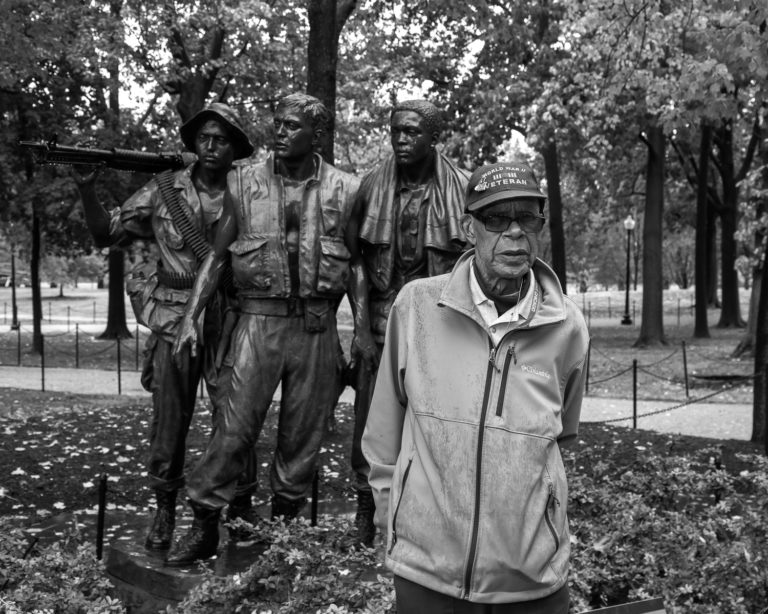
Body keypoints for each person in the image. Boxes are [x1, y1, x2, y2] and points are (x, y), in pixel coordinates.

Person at [362, 161, 589, 613]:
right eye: (496, 219)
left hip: (531, 580)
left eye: (527, 218)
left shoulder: (568, 326)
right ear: (469, 228)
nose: (515, 233)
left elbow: (561, 436)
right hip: (426, 574)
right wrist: (392, 518)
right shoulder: (417, 307)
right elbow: (383, 433)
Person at [166, 92, 376, 565]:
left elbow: (357, 265)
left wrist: (361, 329)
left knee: (301, 440)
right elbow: (217, 258)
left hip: (318, 330)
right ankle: (204, 526)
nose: (279, 132)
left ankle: (282, 533)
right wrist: (190, 318)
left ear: (317, 134)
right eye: (276, 123)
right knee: (233, 431)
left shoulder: (347, 188)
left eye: (291, 125)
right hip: (257, 325)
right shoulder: (242, 182)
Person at [73, 102, 257, 551]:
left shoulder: (252, 193)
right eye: (204, 138)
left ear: (235, 149)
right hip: (174, 318)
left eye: (221, 140)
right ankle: (165, 508)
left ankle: (240, 507)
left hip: (232, 315)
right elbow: (105, 235)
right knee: (169, 419)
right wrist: (86, 190)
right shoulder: (163, 190)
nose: (211, 147)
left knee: (236, 416)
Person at [351, 99, 469, 545]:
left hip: (440, 327)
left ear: (433, 137)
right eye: (395, 131)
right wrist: (361, 330)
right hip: (381, 323)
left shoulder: (462, 189)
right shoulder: (370, 187)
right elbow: (354, 260)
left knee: (439, 421)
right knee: (371, 423)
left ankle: (433, 514)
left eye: (412, 132)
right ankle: (367, 509)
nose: (400, 140)